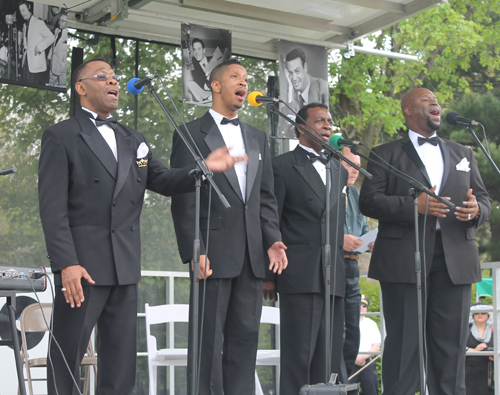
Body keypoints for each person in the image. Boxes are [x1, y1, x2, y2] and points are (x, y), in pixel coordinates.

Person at [38, 58, 244, 395]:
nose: (113, 82)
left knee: (120, 360)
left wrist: (203, 167)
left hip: (125, 264)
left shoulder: (133, 138)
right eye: (103, 77)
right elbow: (52, 208)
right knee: (68, 353)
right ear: (81, 88)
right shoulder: (61, 136)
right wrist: (66, 264)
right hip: (83, 267)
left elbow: (161, 179)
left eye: (115, 78)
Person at [359, 88, 492, 395]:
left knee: (451, 347)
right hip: (406, 258)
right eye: (426, 100)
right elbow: (369, 201)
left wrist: (477, 211)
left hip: (455, 258)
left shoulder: (464, 153)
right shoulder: (385, 152)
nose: (436, 104)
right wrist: (412, 207)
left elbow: (483, 198)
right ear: (407, 110)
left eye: (437, 101)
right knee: (405, 345)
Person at [170, 58, 288, 395]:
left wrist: (273, 239)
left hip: (251, 255)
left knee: (245, 341)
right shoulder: (190, 132)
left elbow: (265, 197)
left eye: (246, 78)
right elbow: (183, 198)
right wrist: (195, 250)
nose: (244, 83)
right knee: (207, 342)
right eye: (235, 76)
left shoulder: (256, 136)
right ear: (216, 85)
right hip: (212, 252)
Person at [266, 102, 348, 394]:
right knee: (298, 356)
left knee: (329, 358)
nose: (328, 126)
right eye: (320, 120)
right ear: (301, 127)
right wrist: (269, 274)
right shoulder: (281, 165)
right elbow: (270, 217)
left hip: (333, 273)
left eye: (329, 120)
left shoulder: (338, 168)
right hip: (298, 272)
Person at [340, 146, 374, 376]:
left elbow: (363, 229)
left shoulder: (354, 194)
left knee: (353, 334)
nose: (354, 171)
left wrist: (370, 241)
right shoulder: (327, 189)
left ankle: (345, 382)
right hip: (330, 266)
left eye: (358, 168)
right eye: (349, 165)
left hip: (353, 268)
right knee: (337, 333)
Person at [281, 48, 329, 137]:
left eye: (297, 71)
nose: (294, 78)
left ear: (305, 68)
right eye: (291, 73)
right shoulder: (291, 97)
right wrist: (289, 90)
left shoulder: (322, 87)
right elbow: (287, 131)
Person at [349, 295, 381, 395]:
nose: (361, 307)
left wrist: (362, 357)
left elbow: (376, 346)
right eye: (359, 304)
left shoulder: (372, 324)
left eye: (364, 305)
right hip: (350, 362)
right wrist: (355, 358)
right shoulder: (346, 322)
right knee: (347, 390)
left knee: (371, 389)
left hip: (367, 363)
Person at [18, 1, 54, 85]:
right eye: (20, 11)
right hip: (27, 61)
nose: (22, 13)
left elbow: (51, 37)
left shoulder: (38, 23)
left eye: (23, 10)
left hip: (35, 62)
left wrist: (39, 47)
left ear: (29, 8)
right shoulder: (25, 24)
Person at [466, 302, 494, 395]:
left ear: (488, 315)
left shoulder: (496, 331)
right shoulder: (465, 330)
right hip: (469, 373)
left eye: (483, 313)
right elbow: (457, 348)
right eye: (477, 313)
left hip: (490, 374)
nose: (480, 315)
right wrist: (474, 350)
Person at [184, 37, 212, 102]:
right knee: (189, 83)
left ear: (203, 50)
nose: (196, 52)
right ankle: (207, 97)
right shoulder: (193, 66)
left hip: (218, 88)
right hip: (206, 90)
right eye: (194, 50)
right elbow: (199, 82)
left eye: (199, 49)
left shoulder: (213, 59)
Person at [47, 13, 67, 87]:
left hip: (62, 68)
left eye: (63, 21)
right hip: (53, 63)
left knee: (61, 87)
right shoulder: (57, 31)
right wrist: (49, 57)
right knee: (51, 84)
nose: (60, 22)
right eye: (59, 20)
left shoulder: (68, 35)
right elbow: (53, 45)